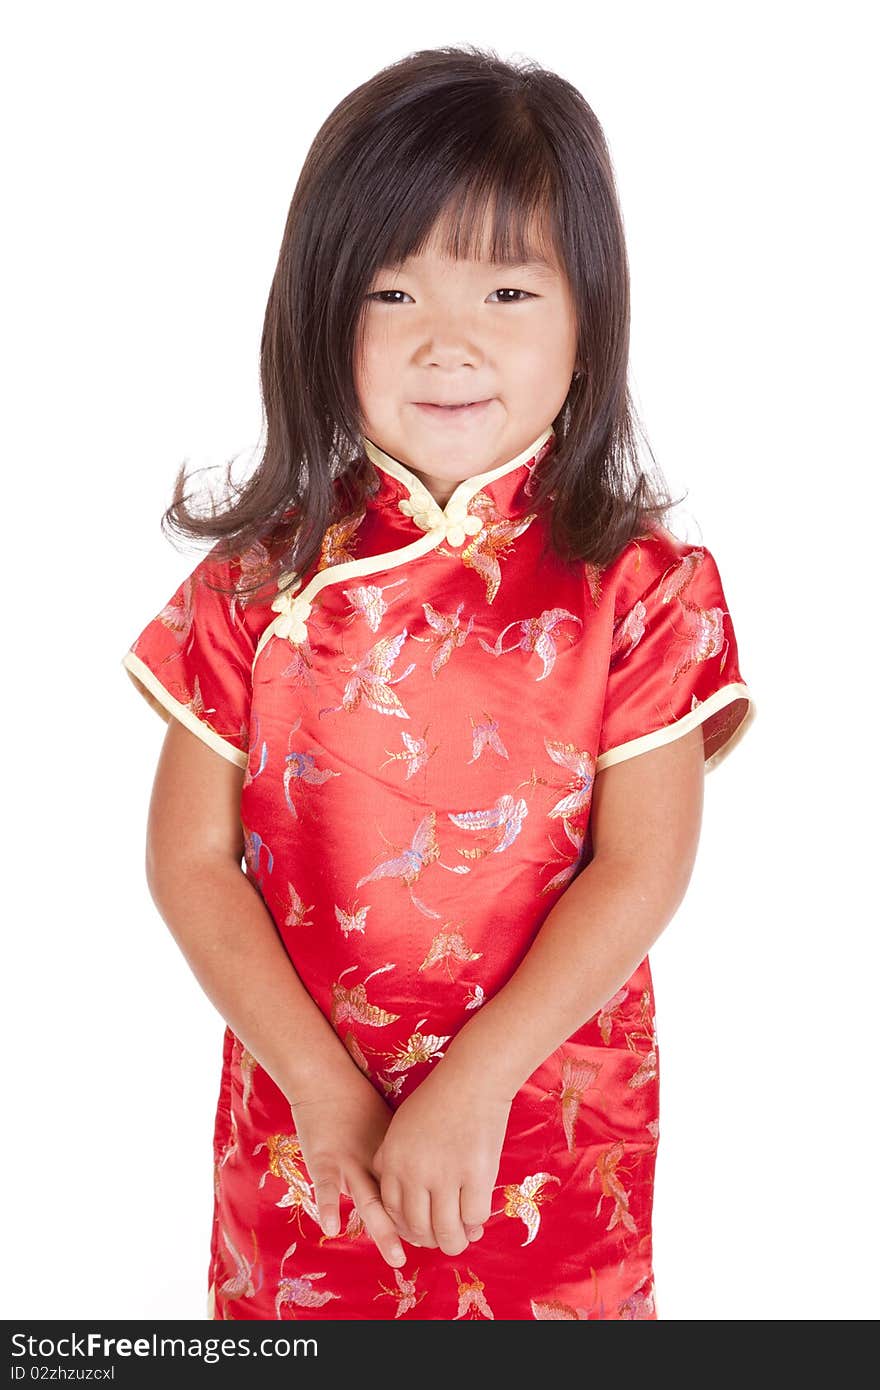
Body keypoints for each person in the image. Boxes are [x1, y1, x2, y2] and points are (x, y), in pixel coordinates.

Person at [121, 44, 756, 1322]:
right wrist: (320, 1087)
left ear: (591, 324)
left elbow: (642, 869)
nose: (448, 342)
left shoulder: (639, 586)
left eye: (510, 291)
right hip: (304, 1133)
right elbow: (190, 862)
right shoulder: (254, 587)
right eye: (391, 294)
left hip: (540, 1124)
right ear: (317, 319)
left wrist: (474, 1083)